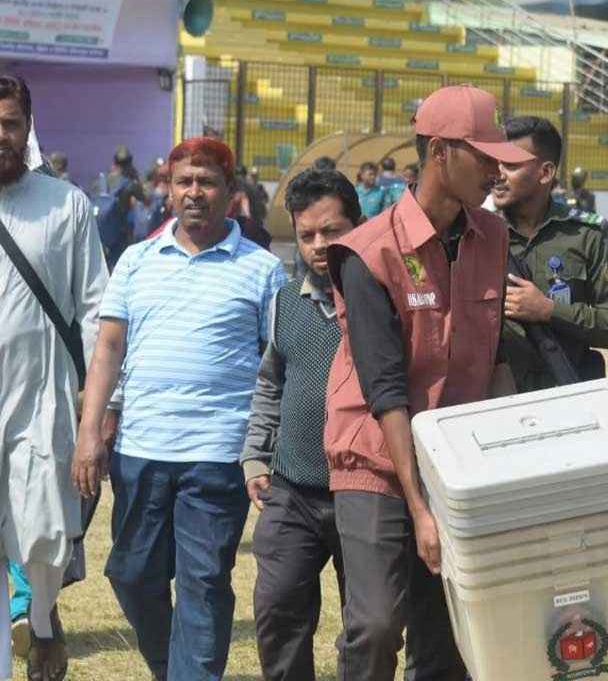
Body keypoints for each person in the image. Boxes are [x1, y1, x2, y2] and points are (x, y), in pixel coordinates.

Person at [322, 85, 528, 681]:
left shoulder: (493, 238)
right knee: (378, 623)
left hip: (458, 461)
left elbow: (494, 356)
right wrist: (419, 508)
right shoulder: (368, 253)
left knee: (452, 633)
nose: (497, 168)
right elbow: (385, 388)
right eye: (483, 155)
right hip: (377, 460)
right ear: (440, 152)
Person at [73, 137, 287, 681]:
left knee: (204, 580)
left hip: (218, 455)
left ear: (230, 193)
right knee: (132, 574)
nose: (195, 192)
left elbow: (278, 362)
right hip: (140, 450)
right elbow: (108, 348)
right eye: (184, 181)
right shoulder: (136, 260)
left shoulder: (262, 270)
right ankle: (174, 668)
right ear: (167, 189)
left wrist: (264, 450)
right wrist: (89, 431)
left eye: (207, 181)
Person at [0, 74, 109, 681]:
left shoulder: (64, 203)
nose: (0, 137)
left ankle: (42, 621)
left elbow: (96, 308)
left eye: (10, 124)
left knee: (42, 532)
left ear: (27, 129)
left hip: (41, 401)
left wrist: (99, 405)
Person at [241, 168, 362, 681]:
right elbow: (271, 383)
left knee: (367, 626)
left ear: (358, 225)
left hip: (366, 491)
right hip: (292, 489)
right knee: (277, 610)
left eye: (331, 232)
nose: (318, 245)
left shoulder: (381, 302)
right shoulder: (285, 302)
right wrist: (254, 455)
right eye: (307, 234)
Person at [490, 116, 608, 392]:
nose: (498, 174)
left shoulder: (587, 235)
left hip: (567, 394)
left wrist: (549, 310)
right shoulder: (478, 235)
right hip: (495, 400)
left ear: (545, 172)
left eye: (511, 165)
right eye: (495, 164)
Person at [92, 145, 147, 270]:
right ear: (130, 164)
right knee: (119, 269)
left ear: (114, 162)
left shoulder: (99, 181)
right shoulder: (130, 184)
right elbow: (145, 201)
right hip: (120, 235)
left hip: (99, 234)